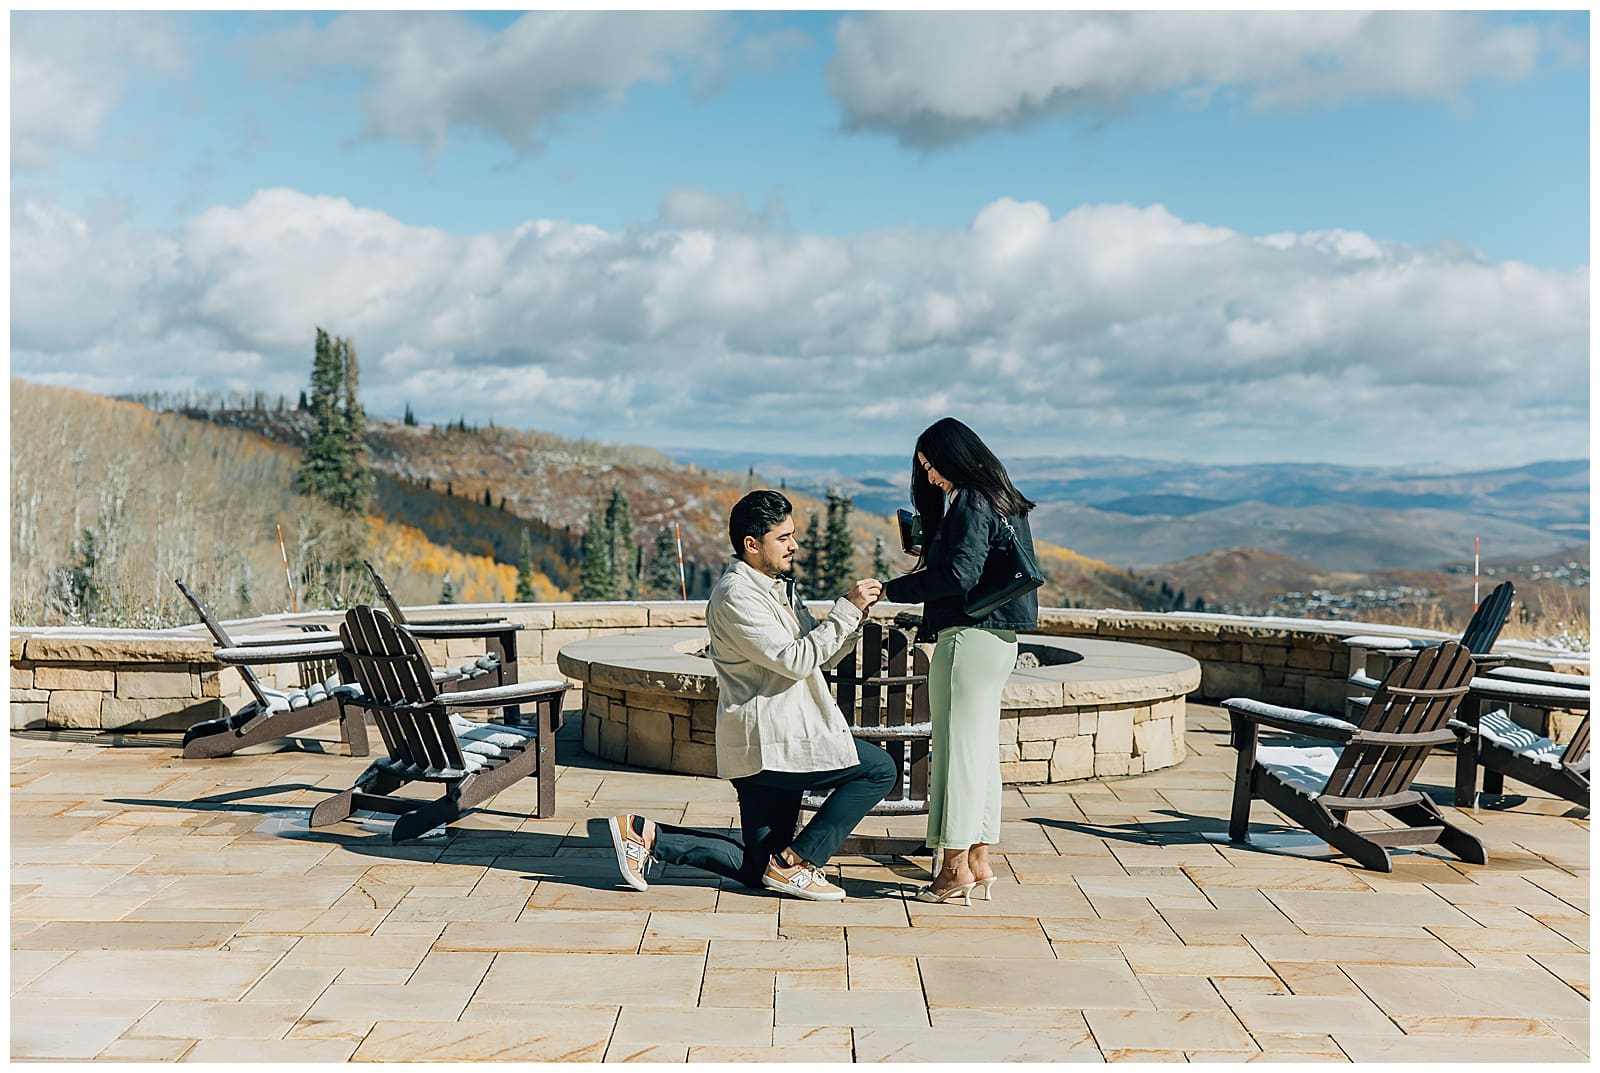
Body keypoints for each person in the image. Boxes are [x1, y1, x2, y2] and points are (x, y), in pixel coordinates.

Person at [607, 489, 896, 901]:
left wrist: (853, 619)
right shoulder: (736, 596)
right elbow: (794, 661)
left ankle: (643, 835)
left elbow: (817, 655)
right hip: (772, 742)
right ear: (752, 544)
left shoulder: (775, 587)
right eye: (784, 538)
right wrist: (844, 610)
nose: (794, 545)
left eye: (793, 535)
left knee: (757, 869)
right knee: (878, 770)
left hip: (779, 738)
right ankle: (798, 864)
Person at [883, 417, 1038, 904]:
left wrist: (891, 589)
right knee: (978, 755)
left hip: (968, 638)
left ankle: (953, 870)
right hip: (999, 640)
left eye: (933, 466)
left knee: (954, 756)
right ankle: (978, 860)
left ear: (956, 458)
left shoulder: (971, 499)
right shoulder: (1003, 498)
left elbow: (959, 575)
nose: (930, 478)